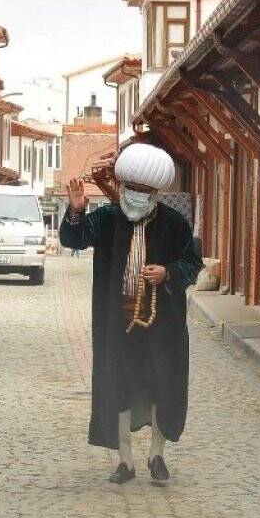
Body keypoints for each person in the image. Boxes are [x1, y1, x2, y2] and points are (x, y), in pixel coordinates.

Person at [60, 143, 203, 484]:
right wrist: (76, 210)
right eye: (132, 188)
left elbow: (192, 263)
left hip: (163, 326)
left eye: (144, 190)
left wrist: (168, 273)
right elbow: (74, 239)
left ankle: (157, 456)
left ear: (155, 192)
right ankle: (125, 460)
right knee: (118, 386)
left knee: (162, 386)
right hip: (117, 324)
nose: (137, 194)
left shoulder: (174, 223)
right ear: (123, 186)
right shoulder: (108, 218)